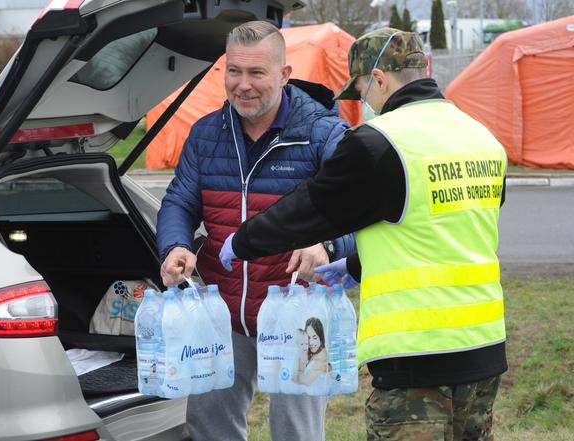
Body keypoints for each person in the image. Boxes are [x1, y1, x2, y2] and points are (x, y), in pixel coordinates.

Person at [220, 28, 508, 441]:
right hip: (484, 349)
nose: (364, 104)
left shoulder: (381, 141)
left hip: (416, 357)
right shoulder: (481, 138)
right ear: (424, 68)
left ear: (377, 80)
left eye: (360, 92)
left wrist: (243, 241)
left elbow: (312, 208)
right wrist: (357, 264)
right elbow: (442, 227)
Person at [156, 21, 355, 441]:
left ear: (284, 75)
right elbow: (179, 201)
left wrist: (329, 245)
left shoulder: (323, 133)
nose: (242, 85)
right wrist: (174, 245)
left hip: (300, 315)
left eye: (257, 73)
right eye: (234, 71)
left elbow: (360, 211)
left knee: (296, 433)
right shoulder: (206, 133)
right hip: (222, 312)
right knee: (210, 427)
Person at [292, 317, 330, 386]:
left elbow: (306, 382)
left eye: (314, 338)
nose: (311, 342)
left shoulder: (321, 357)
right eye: (308, 338)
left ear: (320, 338)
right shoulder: (309, 352)